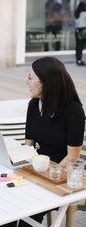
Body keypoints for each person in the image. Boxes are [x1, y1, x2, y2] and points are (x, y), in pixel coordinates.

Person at [18, 56, 85, 227]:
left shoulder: (73, 111)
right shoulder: (34, 106)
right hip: (38, 171)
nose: (26, 81)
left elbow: (72, 158)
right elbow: (29, 146)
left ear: (46, 83)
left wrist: (47, 173)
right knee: (8, 202)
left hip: (59, 175)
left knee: (27, 212)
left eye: (30, 78)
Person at [75, 2, 86, 66]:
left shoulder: (76, 13)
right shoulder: (84, 14)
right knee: (81, 46)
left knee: (77, 46)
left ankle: (78, 60)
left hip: (77, 30)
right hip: (83, 31)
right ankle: (79, 61)